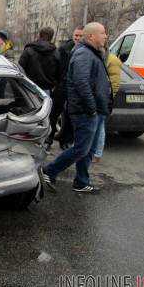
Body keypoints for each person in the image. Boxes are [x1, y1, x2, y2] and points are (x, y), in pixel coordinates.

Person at [42, 22, 111, 193]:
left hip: (93, 110)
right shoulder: (84, 54)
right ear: (91, 36)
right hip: (85, 111)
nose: (105, 36)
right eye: (102, 33)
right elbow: (81, 83)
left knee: (87, 150)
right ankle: (49, 171)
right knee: (81, 148)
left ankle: (81, 181)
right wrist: (92, 108)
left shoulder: (93, 53)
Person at [47, 26, 84, 149]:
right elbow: (55, 68)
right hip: (61, 86)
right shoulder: (64, 49)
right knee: (54, 114)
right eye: (76, 35)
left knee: (70, 115)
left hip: (75, 89)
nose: (77, 38)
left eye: (80, 36)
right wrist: (56, 84)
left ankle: (66, 141)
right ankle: (49, 139)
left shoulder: (86, 50)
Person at [92, 49, 121, 162]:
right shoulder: (101, 57)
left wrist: (107, 97)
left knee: (98, 128)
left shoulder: (110, 59)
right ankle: (96, 153)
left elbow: (113, 83)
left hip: (102, 100)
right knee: (98, 128)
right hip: (101, 99)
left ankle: (96, 153)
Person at [18, 27, 61, 94]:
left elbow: (19, 68)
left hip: (29, 88)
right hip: (46, 89)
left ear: (39, 35)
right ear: (51, 37)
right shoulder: (56, 53)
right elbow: (59, 73)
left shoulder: (29, 50)